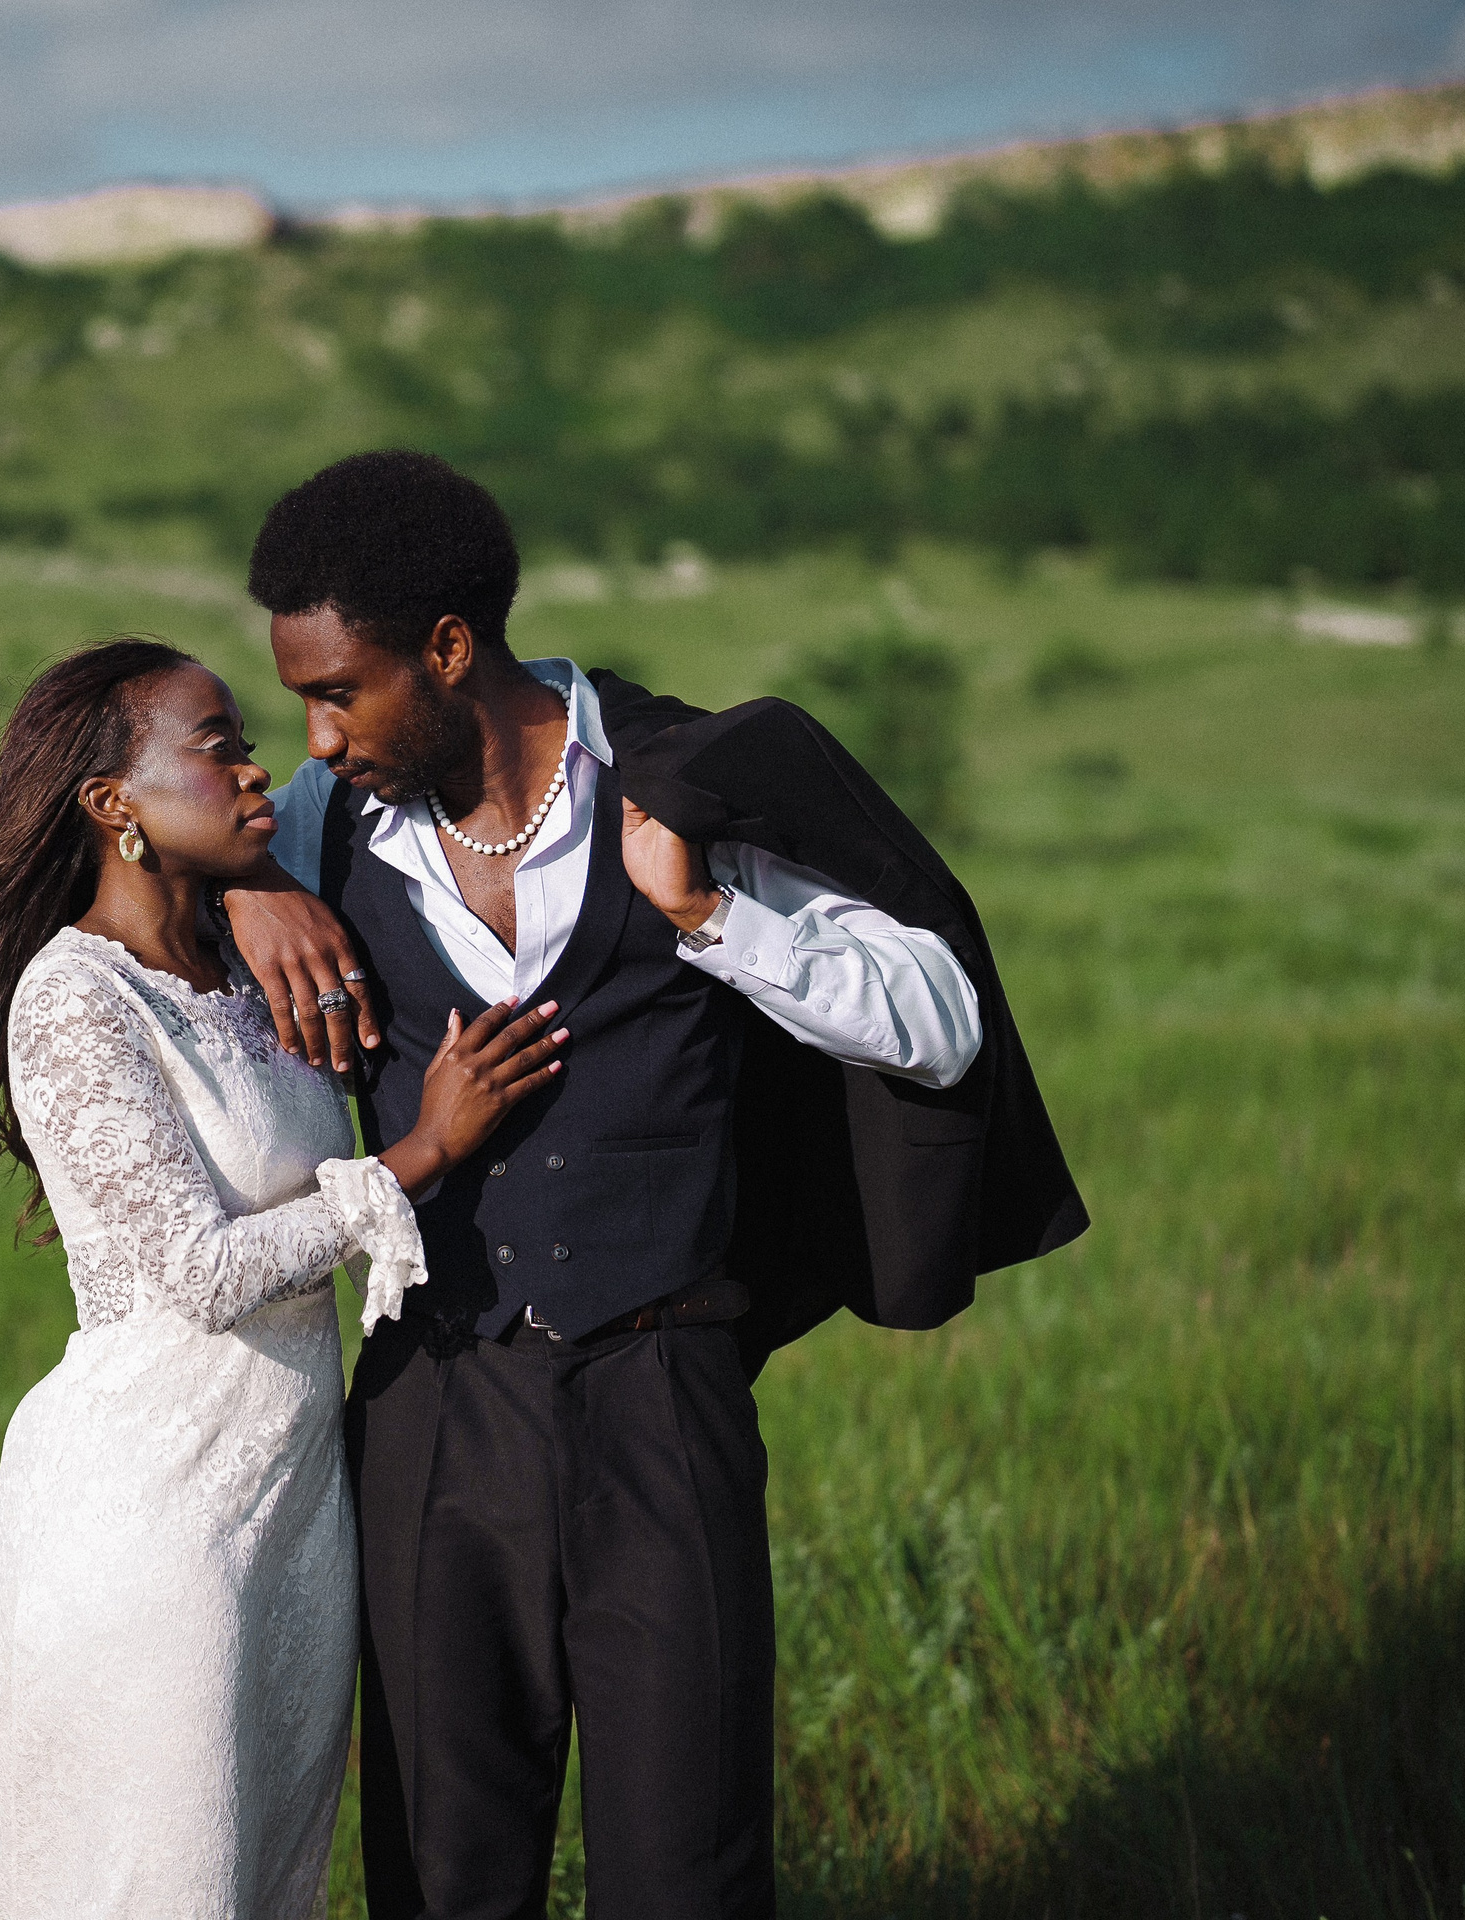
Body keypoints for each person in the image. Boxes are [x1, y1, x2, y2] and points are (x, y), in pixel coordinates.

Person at [216, 452, 1085, 1919]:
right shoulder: (316, 824)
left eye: (339, 692)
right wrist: (245, 887)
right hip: (434, 1403)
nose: (314, 734)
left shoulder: (688, 778)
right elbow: (112, 885)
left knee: (689, 1869)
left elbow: (940, 1019)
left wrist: (710, 915)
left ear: (447, 650)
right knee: (442, 1873)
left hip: (664, 1392)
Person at [0, 637, 569, 1920]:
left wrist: (258, 885)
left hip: (291, 1509)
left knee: (256, 1871)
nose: (259, 771)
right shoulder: (73, 1001)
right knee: (150, 1878)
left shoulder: (248, 968)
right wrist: (419, 1152)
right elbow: (197, 1273)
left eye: (249, 743)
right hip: (150, 1507)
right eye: (219, 748)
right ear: (112, 805)